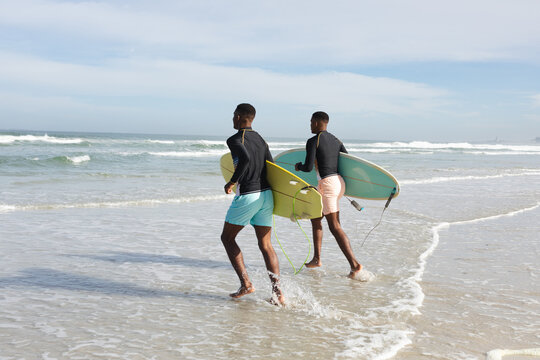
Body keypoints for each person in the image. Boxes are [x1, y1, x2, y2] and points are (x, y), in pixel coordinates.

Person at [221, 103, 284, 305]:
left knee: (227, 238)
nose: (232, 119)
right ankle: (278, 294)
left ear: (239, 117)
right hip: (266, 196)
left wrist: (232, 181)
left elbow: (245, 159)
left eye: (233, 115)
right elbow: (272, 166)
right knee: (266, 245)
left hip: (248, 193)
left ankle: (246, 284)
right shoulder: (260, 139)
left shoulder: (234, 139)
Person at [295, 111, 362, 278]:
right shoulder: (336, 140)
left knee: (335, 226)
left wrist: (298, 166)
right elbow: (347, 160)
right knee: (316, 217)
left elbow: (308, 166)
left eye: (311, 122)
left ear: (318, 122)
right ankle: (317, 258)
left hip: (327, 184)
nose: (310, 125)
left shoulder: (313, 140)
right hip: (339, 183)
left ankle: (355, 265)